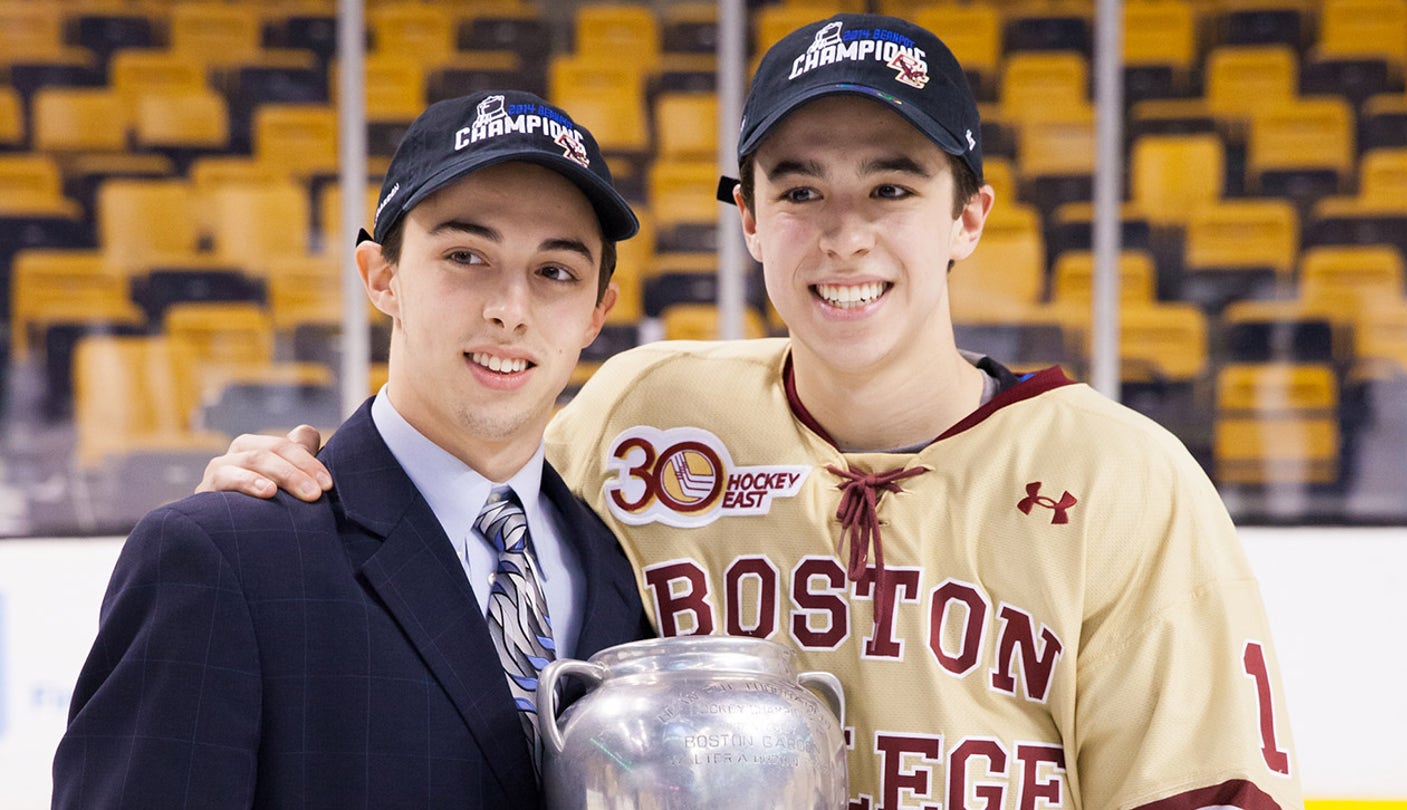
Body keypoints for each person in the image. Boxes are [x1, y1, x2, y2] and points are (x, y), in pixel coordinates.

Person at [199, 15, 1303, 809]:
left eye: (893, 186)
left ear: (969, 216)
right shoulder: (647, 413)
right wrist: (291, 488)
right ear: (750, 222)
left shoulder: (1121, 478)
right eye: (799, 188)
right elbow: (456, 506)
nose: (845, 233)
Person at [52, 89, 652, 810]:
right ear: (382, 276)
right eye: (467, 256)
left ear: (597, 313)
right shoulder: (223, 558)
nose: (509, 309)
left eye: (555, 272)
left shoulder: (624, 571)